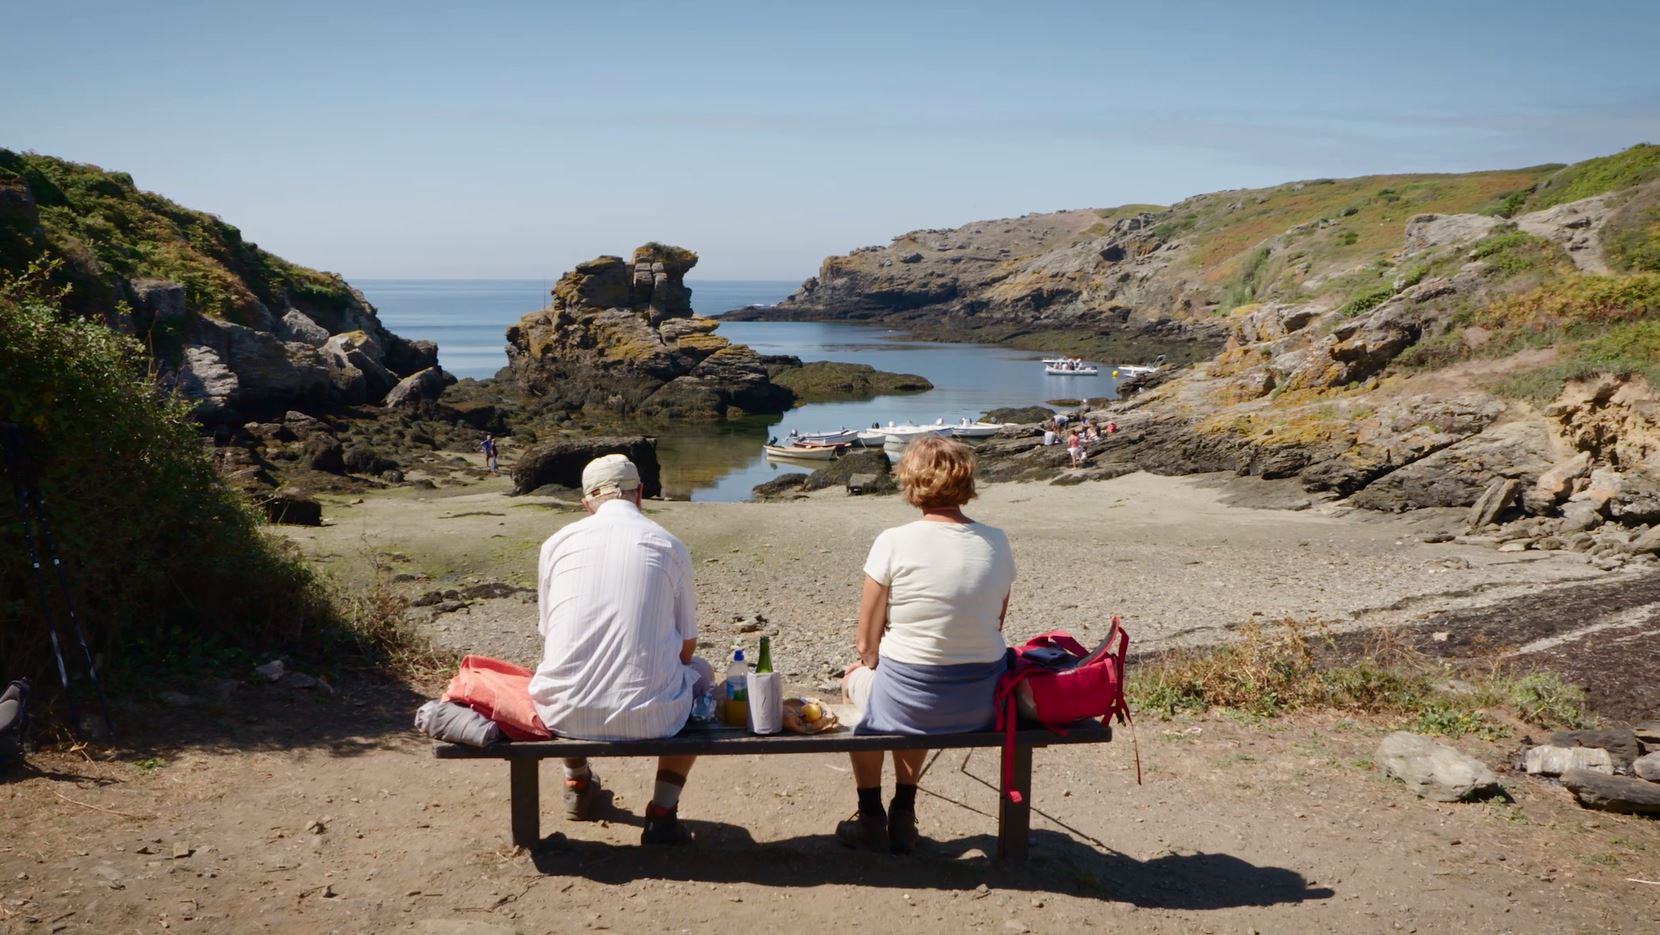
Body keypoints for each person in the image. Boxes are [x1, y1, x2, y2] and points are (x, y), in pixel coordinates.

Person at [838, 435, 1015, 854]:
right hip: (981, 702)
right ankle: (904, 809)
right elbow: (997, 620)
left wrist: (867, 664)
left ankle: (869, 816)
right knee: (906, 691)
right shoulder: (997, 541)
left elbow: (866, 643)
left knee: (857, 686)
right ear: (966, 481)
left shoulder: (894, 541)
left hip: (911, 700)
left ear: (912, 481)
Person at [527, 454, 712, 845]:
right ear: (640, 493)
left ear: (586, 503)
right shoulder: (668, 544)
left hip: (563, 713)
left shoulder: (555, 544)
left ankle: (577, 781)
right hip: (655, 718)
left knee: (562, 667)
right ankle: (662, 812)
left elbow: (549, 632)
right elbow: (687, 645)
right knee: (704, 673)